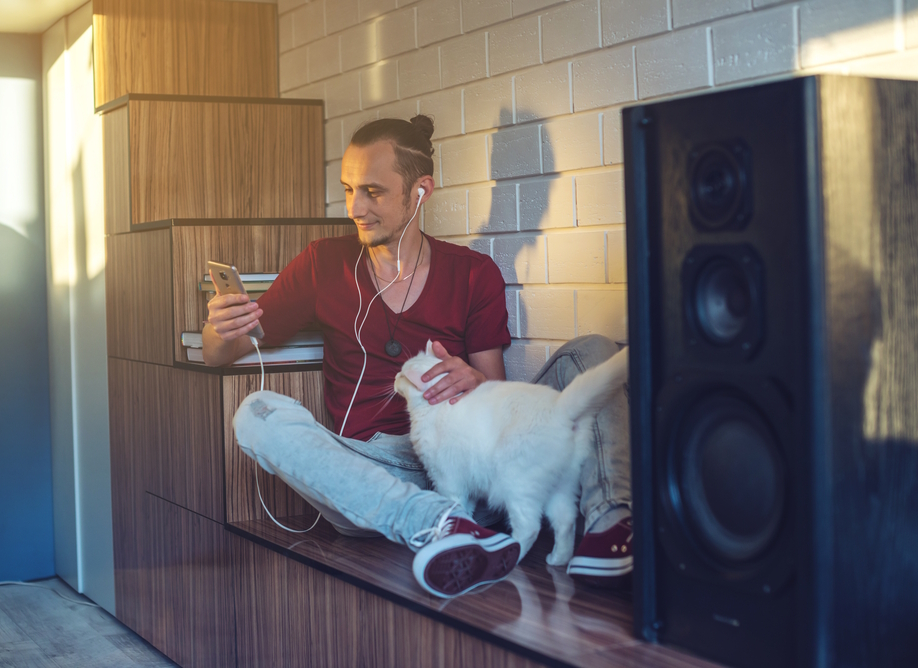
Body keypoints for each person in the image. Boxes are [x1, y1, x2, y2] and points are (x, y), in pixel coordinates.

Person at [201, 115, 632, 598]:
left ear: (420, 190)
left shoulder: (473, 273)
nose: (356, 208)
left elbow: (497, 395)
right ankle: (441, 527)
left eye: (373, 192)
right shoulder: (324, 262)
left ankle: (609, 528)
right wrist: (218, 327)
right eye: (348, 190)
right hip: (379, 476)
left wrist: (474, 379)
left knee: (594, 352)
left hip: (473, 462)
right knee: (257, 415)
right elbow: (223, 352)